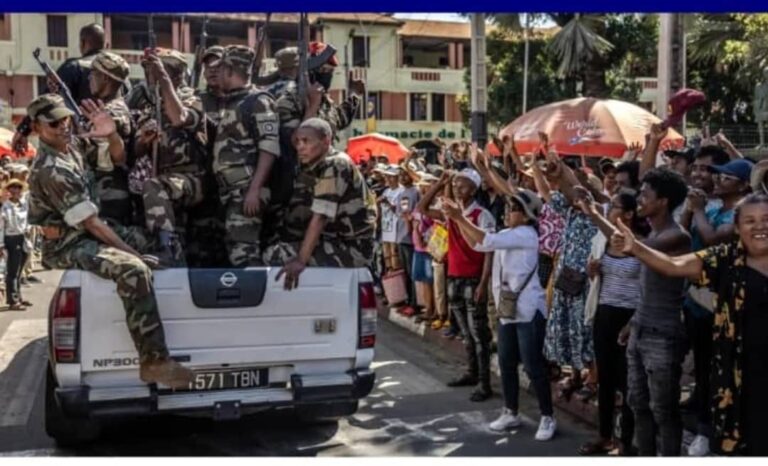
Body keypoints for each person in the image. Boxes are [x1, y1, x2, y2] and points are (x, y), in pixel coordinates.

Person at [25, 93, 192, 388]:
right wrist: (133, 255)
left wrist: (112, 134)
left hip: (89, 230)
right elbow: (92, 223)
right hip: (68, 243)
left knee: (157, 239)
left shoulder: (71, 146)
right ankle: (154, 360)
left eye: (66, 119)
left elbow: (117, 158)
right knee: (133, 269)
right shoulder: (50, 169)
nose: (64, 126)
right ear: (37, 128)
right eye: (54, 123)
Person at [611, 192, 768, 456]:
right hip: (740, 378)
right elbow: (673, 265)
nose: (760, 226)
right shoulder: (725, 259)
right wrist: (636, 247)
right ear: (737, 227)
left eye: (766, 219)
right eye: (750, 221)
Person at [445, 188, 557, 440]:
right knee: (506, 363)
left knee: (532, 366)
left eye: (513, 209)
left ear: (527, 215)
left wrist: (458, 218)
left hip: (528, 310)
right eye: (507, 207)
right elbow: (478, 242)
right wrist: (456, 219)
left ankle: (547, 416)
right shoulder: (508, 233)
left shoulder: (527, 234)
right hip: (509, 310)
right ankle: (511, 411)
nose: (507, 212)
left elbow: (486, 241)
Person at [679, 157, 752, 456]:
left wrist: (696, 210)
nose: (718, 180)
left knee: (717, 369)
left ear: (744, 185)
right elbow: (684, 235)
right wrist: (689, 209)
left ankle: (710, 432)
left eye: (727, 178)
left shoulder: (738, 215)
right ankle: (703, 421)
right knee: (701, 364)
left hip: (721, 301)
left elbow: (710, 240)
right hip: (695, 297)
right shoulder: (711, 208)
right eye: (718, 176)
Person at [620, 167, 691, 456]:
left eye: (645, 195)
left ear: (662, 202)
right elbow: (646, 290)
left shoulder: (676, 237)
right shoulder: (654, 233)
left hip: (663, 335)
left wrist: (592, 213)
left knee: (663, 410)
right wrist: (632, 322)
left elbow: (634, 248)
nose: (639, 199)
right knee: (638, 404)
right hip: (640, 329)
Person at [265, 118, 376, 288]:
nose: (300, 146)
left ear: (326, 141)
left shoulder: (336, 164)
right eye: (298, 141)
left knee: (273, 255)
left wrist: (301, 261)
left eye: (306, 141)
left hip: (353, 248)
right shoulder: (314, 165)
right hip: (333, 241)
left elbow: (320, 217)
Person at [577, 192, 646, 456]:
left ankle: (625, 441)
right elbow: (596, 276)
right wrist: (592, 271)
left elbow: (646, 288)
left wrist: (633, 322)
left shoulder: (640, 244)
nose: (609, 210)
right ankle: (604, 436)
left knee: (627, 382)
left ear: (629, 214)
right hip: (604, 314)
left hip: (628, 317)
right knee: (605, 380)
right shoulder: (604, 242)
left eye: (615, 207)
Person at [419, 168, 495, 401]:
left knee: (479, 333)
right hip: (454, 276)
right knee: (466, 332)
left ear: (473, 189)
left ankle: (484, 383)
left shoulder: (482, 215)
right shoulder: (451, 213)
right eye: (456, 185)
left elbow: (489, 252)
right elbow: (421, 209)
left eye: (462, 185)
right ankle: (472, 373)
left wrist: (484, 283)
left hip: (473, 279)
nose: (457, 189)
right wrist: (439, 183)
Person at [134, 48, 208, 265]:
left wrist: (164, 82)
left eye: (156, 71)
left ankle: (167, 250)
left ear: (175, 74)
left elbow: (179, 118)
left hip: (192, 178)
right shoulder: (150, 106)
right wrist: (143, 140)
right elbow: (136, 152)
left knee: (153, 187)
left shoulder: (193, 99)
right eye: (149, 72)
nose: (151, 77)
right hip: (166, 182)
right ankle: (172, 252)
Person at [212, 45, 280, 267]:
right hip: (230, 191)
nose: (216, 74)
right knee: (234, 250)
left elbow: (269, 148)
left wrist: (254, 189)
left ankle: (263, 302)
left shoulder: (258, 101)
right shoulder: (233, 101)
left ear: (230, 70)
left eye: (220, 69)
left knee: (244, 255)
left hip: (245, 190)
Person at [539, 150, 598, 397]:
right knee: (568, 329)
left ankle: (593, 378)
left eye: (582, 189)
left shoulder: (598, 215)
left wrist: (565, 171)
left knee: (585, 330)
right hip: (566, 279)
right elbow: (548, 193)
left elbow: (578, 190)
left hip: (587, 282)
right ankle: (574, 373)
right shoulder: (570, 211)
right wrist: (550, 171)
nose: (575, 194)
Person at [84, 51, 135, 226]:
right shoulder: (106, 109)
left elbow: (118, 157)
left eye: (93, 73)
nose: (89, 78)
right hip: (103, 193)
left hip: (109, 196)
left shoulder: (114, 112)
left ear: (105, 78)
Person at [46, 23, 106, 102]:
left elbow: (49, 101)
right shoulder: (118, 68)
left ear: (83, 43)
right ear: (104, 44)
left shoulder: (73, 67)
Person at [0, 179, 32, 310]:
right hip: (11, 238)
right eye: (13, 188)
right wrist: (1, 244)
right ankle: (12, 300)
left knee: (20, 269)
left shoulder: (24, 204)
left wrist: (29, 229)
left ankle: (18, 296)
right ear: (9, 191)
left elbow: (28, 219)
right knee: (12, 270)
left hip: (23, 237)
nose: (16, 191)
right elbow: (1, 227)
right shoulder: (5, 207)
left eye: (18, 188)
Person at [395, 167, 420, 316]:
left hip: (411, 239)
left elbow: (413, 214)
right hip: (401, 237)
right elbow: (401, 214)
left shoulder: (415, 192)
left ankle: (414, 303)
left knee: (412, 273)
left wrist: (411, 225)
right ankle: (407, 300)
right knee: (405, 272)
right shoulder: (401, 194)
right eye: (401, 175)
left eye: (406, 175)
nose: (403, 178)